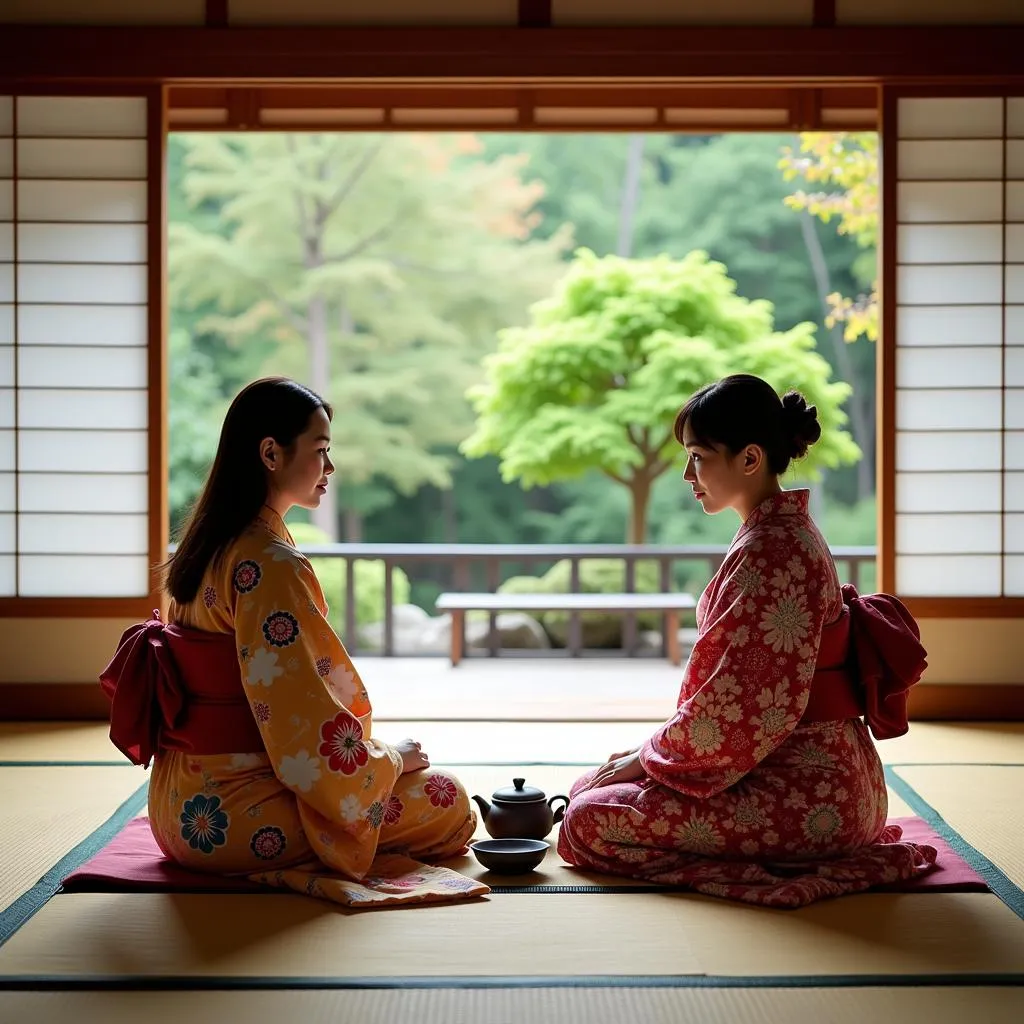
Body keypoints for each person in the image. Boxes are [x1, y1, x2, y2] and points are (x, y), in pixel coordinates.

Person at [100, 378, 487, 908]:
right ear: (271, 453)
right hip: (231, 821)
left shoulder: (208, 544)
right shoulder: (269, 563)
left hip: (179, 809)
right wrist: (390, 761)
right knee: (449, 802)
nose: (331, 470)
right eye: (322, 451)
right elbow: (296, 722)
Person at [557, 374, 934, 907]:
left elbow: (740, 709)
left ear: (751, 459)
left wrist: (649, 760)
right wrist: (646, 757)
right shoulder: (784, 532)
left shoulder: (771, 551)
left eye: (698, 456)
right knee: (589, 786)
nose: (688, 474)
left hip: (806, 800)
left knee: (588, 820)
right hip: (836, 787)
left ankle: (771, 871)